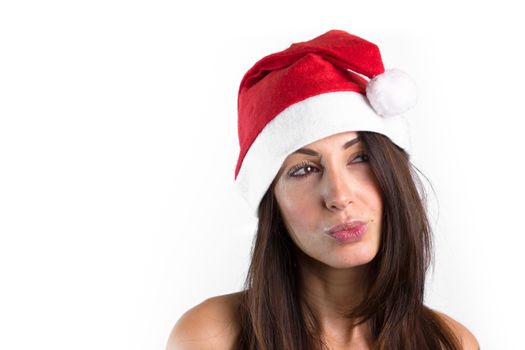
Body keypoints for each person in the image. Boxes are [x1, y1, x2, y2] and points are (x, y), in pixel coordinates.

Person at [166, 30, 480, 349]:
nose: (339, 196)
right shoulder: (210, 337)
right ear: (271, 200)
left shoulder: (450, 343)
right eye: (304, 170)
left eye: (360, 158)